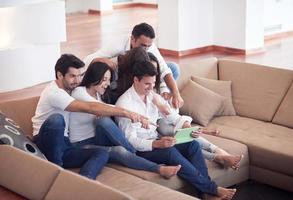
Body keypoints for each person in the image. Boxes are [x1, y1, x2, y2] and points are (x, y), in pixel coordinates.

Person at [115, 61, 237, 200]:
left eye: (153, 83)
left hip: (157, 140)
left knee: (193, 144)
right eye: (147, 84)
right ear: (136, 80)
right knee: (170, 152)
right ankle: (212, 189)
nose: (151, 88)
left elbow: (172, 116)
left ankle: (205, 193)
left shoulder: (152, 96)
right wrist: (157, 144)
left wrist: (189, 128)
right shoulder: (125, 104)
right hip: (142, 150)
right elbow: (130, 141)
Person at [32, 54, 149, 180]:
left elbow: (93, 79)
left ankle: (85, 182)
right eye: (72, 76)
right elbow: (88, 107)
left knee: (101, 153)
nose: (77, 81)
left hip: (65, 146)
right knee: (56, 119)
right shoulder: (53, 93)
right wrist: (127, 113)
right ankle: (57, 175)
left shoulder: (72, 88)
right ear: (60, 75)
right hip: (45, 141)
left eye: (79, 76)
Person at [69, 61, 181, 178]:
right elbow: (98, 107)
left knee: (103, 121)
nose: (107, 84)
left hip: (98, 138)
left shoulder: (98, 94)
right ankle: (156, 167)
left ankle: (134, 151)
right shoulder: (79, 92)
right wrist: (132, 114)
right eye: (104, 79)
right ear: (94, 77)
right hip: (81, 144)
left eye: (109, 80)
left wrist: (157, 100)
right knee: (119, 148)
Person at [148, 52, 243, 170]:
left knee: (182, 133)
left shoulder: (160, 83)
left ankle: (219, 152)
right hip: (156, 124)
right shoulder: (142, 90)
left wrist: (170, 96)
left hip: (168, 117)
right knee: (171, 132)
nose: (154, 74)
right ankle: (219, 155)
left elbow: (169, 110)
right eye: (150, 70)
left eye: (156, 71)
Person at [83, 22, 183, 109]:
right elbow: (87, 61)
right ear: (132, 39)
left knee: (173, 68)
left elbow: (164, 69)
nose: (146, 50)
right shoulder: (118, 44)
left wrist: (176, 93)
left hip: (142, 75)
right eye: (143, 46)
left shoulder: (149, 46)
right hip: (123, 77)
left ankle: (161, 91)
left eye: (149, 46)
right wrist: (103, 59)